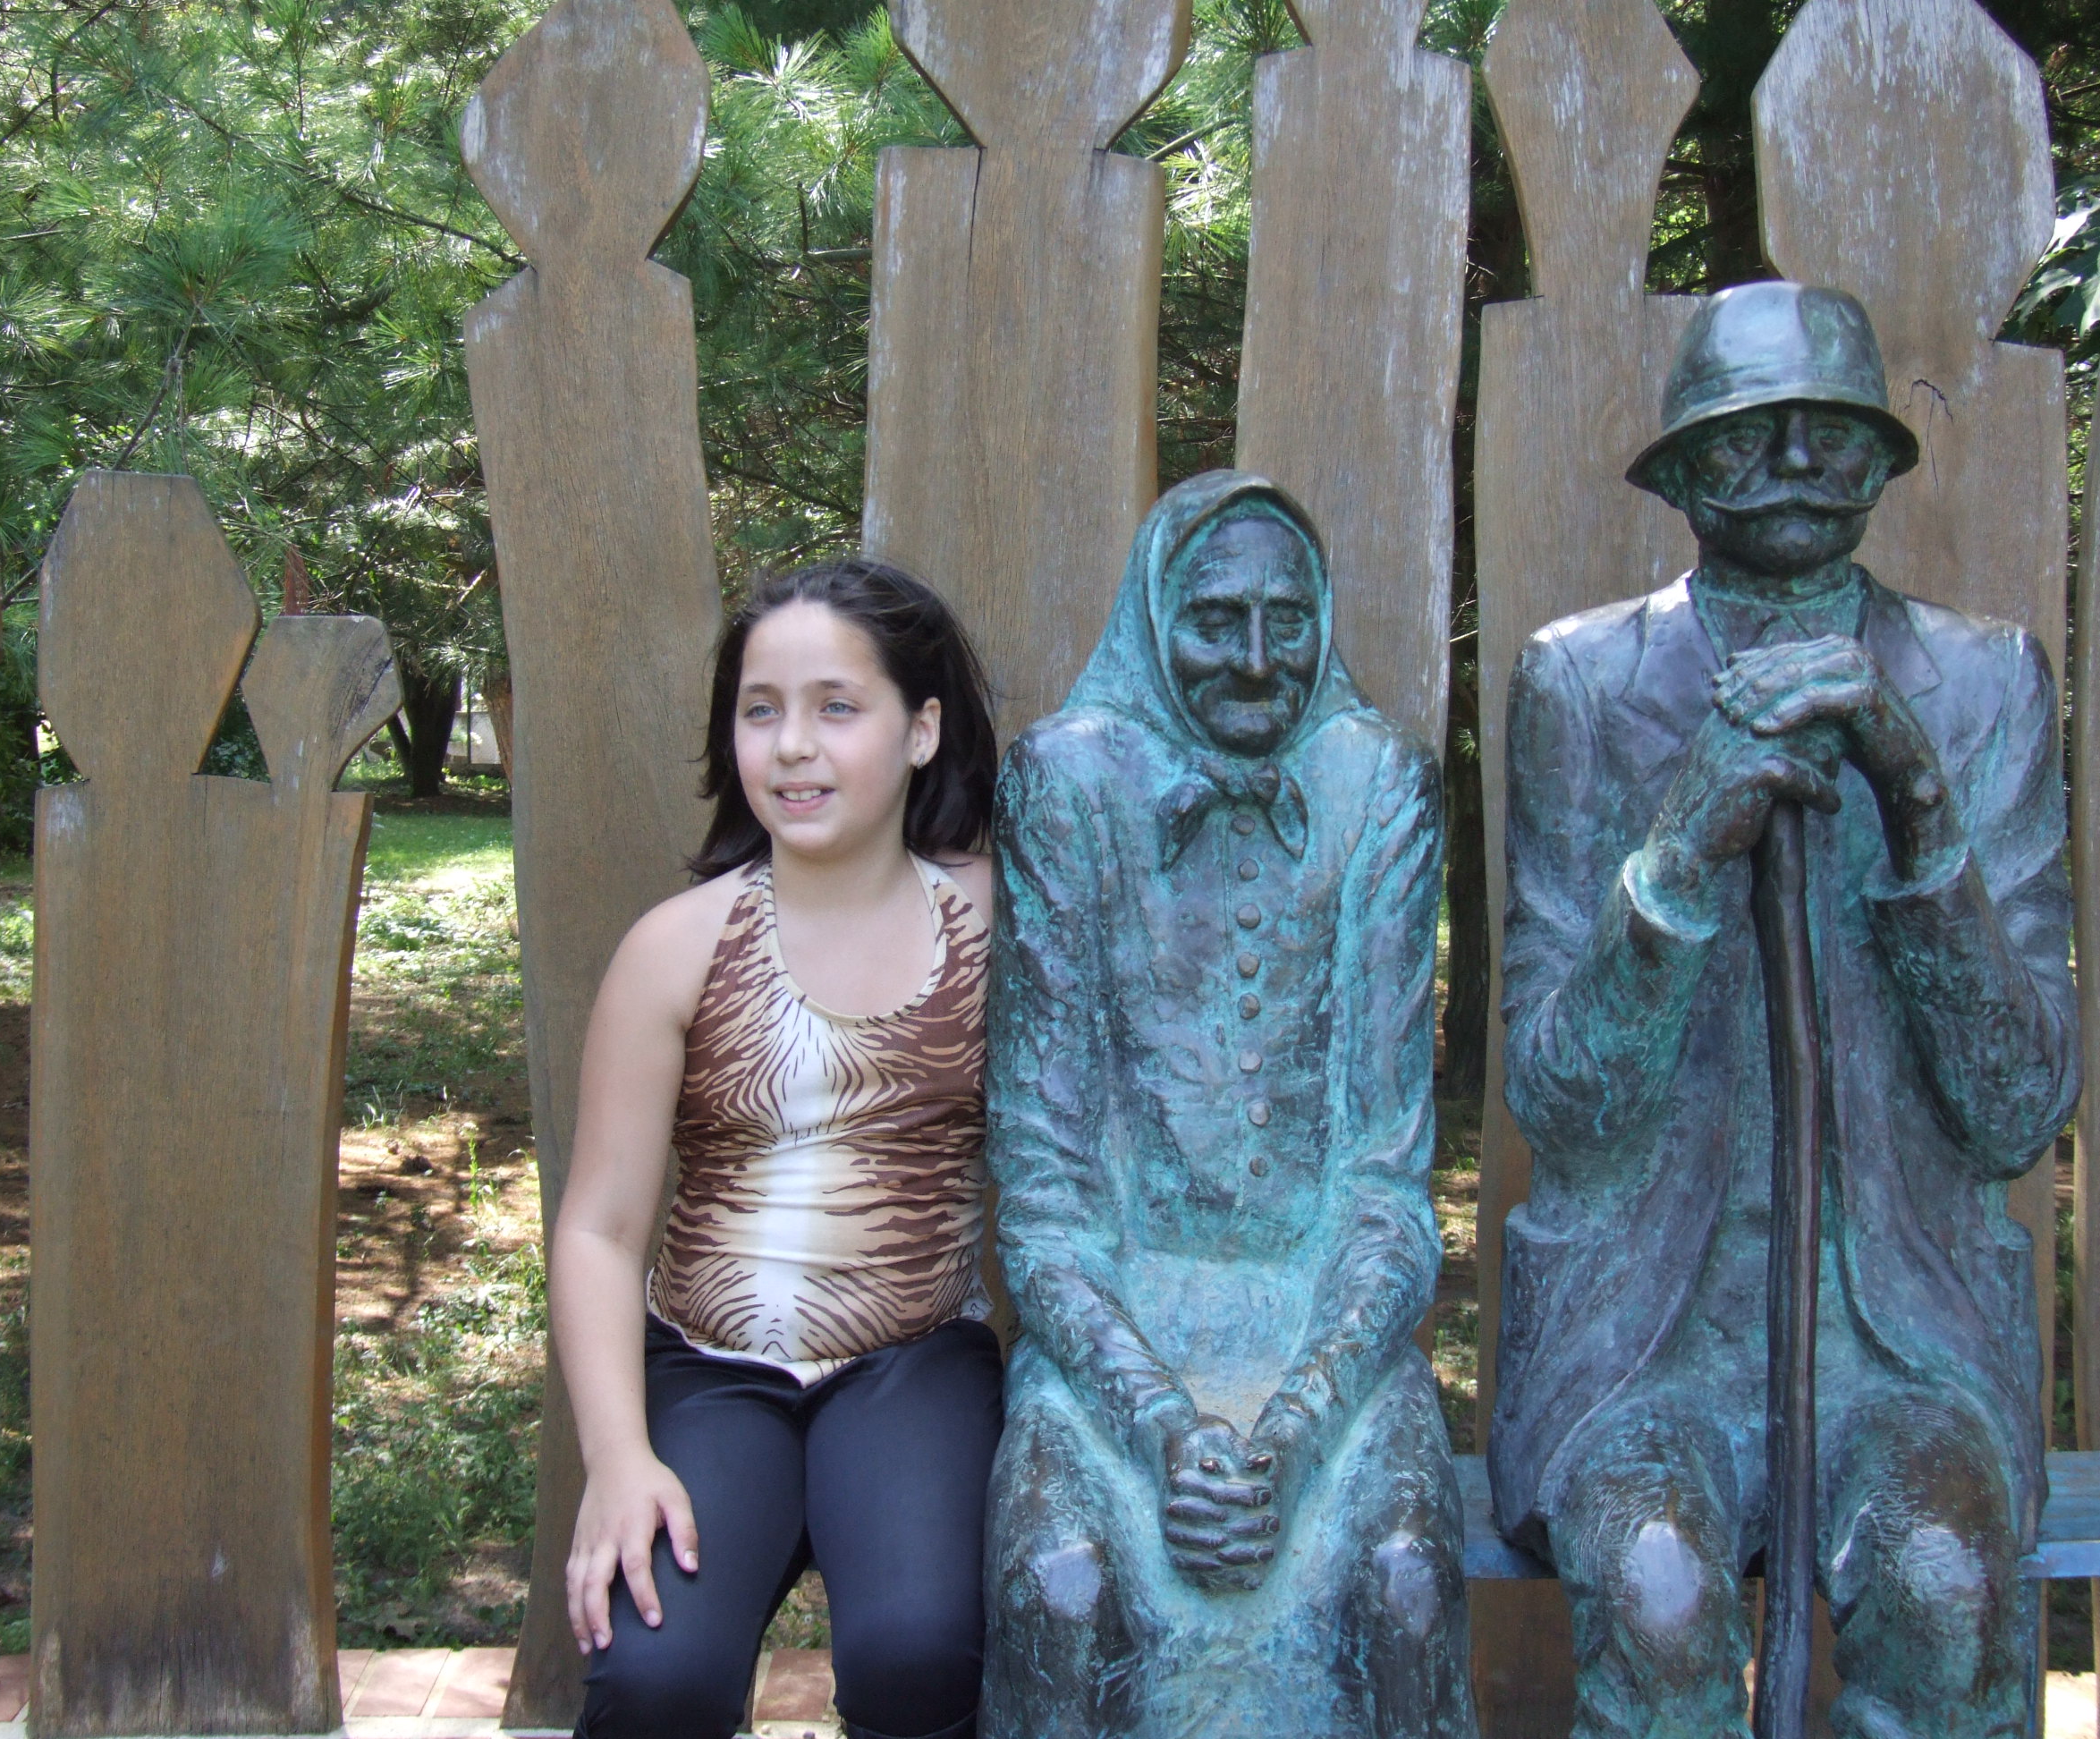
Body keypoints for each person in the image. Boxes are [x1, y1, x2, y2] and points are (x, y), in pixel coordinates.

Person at [1488, 283, 2079, 1738]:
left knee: (1946, 1586)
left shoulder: (1984, 682)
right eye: (1752, 435)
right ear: (1682, 472)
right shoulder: (1583, 682)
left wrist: (1918, 800)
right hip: (1645, 1336)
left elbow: (2016, 1109)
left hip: (1908, 1338)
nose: (1801, 463)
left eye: (1835, 431)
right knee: (1659, 1594)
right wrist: (1678, 857)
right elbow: (1562, 1100)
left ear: (1884, 460)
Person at [983, 471, 1475, 1739]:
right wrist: (1160, 1424)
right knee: (1061, 1587)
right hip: (1116, 1336)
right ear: (1157, 620)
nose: (1258, 661)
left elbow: (1384, 1189)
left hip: (1326, 1337)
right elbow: (1045, 1202)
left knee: (1406, 1585)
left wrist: (1299, 1425)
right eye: (1216, 621)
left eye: (1287, 619)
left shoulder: (1379, 785)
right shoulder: (1063, 786)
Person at [550, 557, 1003, 1739]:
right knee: (657, 1678)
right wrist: (619, 1459)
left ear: (921, 731)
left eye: (837, 707)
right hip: (711, 1370)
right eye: (762, 710)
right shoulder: (679, 947)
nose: (794, 745)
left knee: (919, 1651)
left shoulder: (994, 927)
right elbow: (599, 1229)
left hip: (912, 1363)